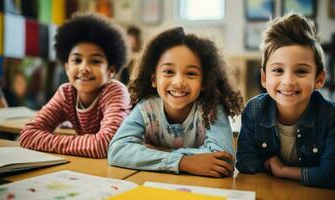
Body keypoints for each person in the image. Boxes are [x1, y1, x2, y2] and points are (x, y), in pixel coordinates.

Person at [108, 27, 243, 177]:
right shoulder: (146, 109)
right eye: (168, 71)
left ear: (205, 82)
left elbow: (223, 161)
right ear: (154, 79)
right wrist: (182, 162)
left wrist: (155, 152)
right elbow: (117, 150)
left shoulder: (211, 110)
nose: (178, 82)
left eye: (191, 73)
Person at [236, 13, 335, 188]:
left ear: (319, 79)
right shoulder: (254, 109)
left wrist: (283, 171)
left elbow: (331, 175)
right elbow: (245, 162)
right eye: (278, 70)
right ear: (264, 78)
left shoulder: (333, 117)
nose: (288, 81)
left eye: (301, 71)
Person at [20, 13, 131, 158]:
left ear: (111, 71)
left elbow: (105, 145)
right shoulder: (66, 93)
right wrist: (86, 145)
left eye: (95, 61)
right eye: (77, 60)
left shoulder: (115, 92)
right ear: (66, 67)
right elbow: (28, 135)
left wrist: (48, 140)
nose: (84, 68)